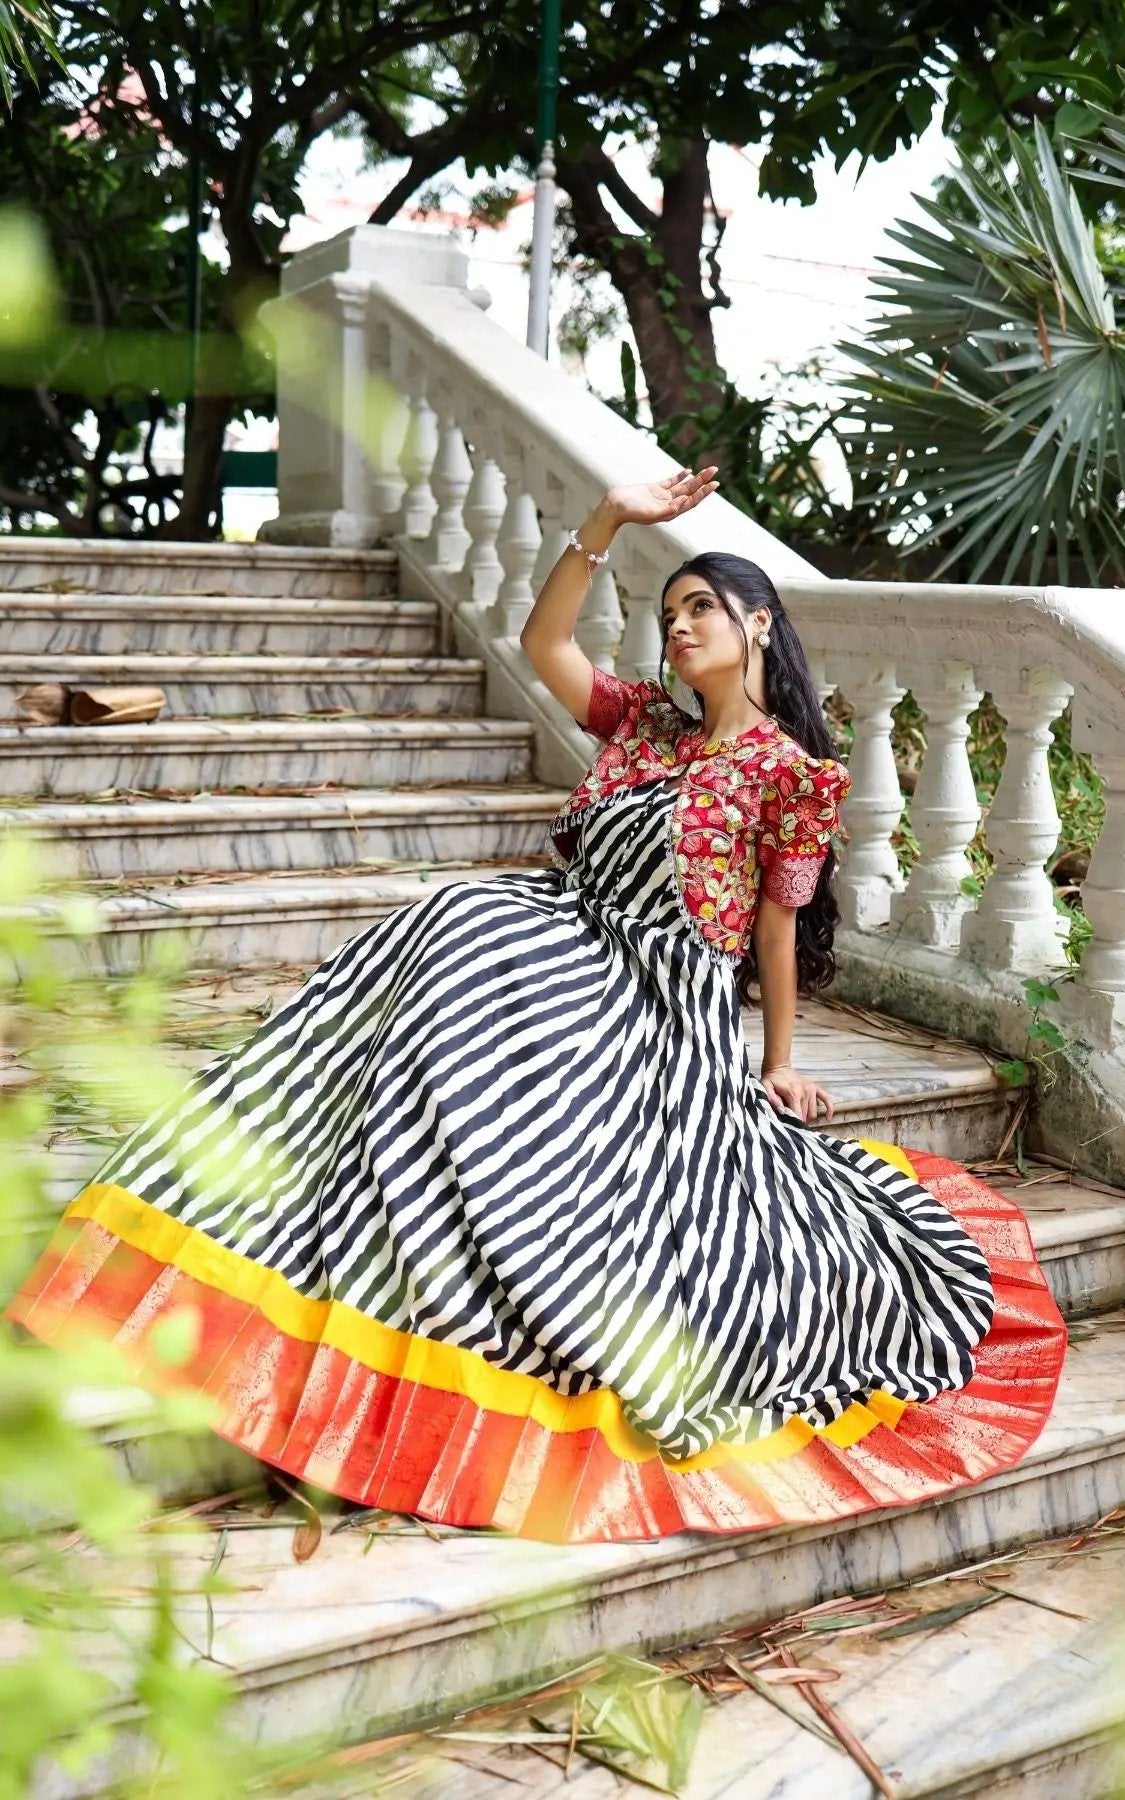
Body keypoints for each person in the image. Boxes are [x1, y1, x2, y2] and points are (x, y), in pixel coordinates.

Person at [7, 470, 1066, 1544]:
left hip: (661, 996)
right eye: (670, 615)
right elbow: (546, 641)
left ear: (759, 625)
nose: (682, 626)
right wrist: (605, 523)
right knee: (458, 919)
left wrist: (776, 1061)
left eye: (702, 606)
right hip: (567, 933)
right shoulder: (645, 724)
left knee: (471, 928)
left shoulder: (789, 775)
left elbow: (775, 931)